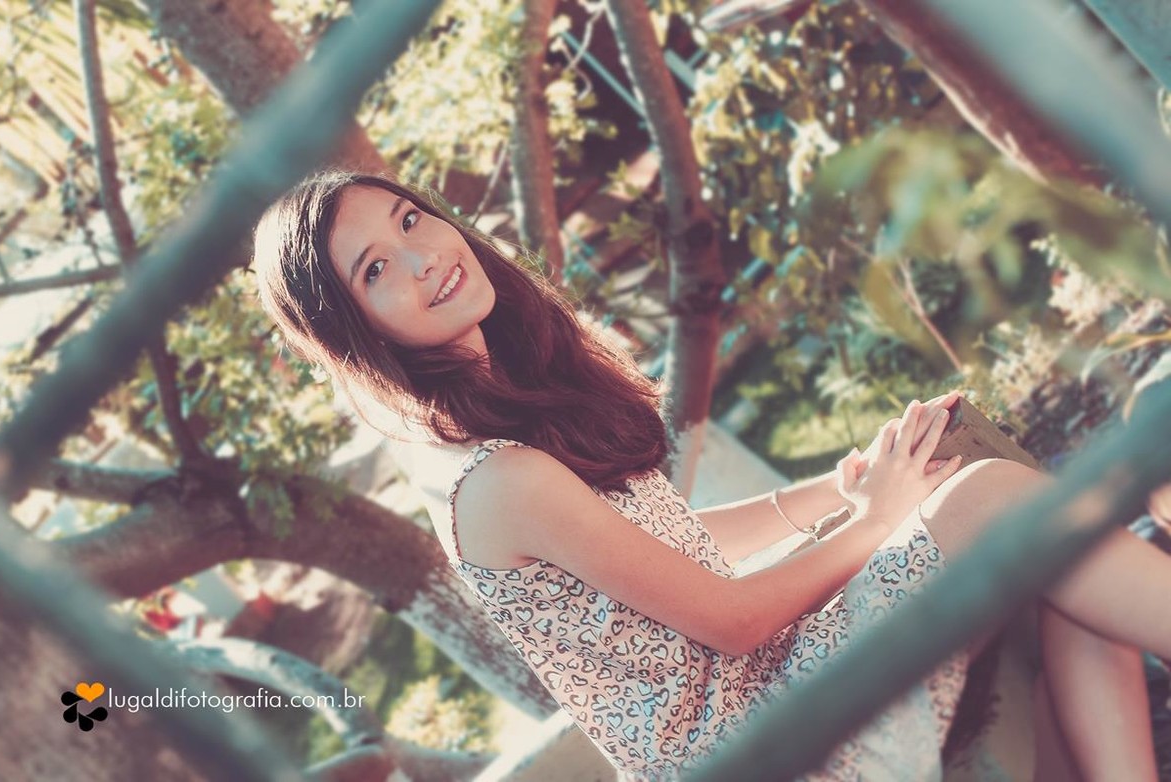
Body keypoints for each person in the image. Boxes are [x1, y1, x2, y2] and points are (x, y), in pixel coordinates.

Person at [252, 170, 1170, 781]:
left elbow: (662, 546)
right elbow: (727, 621)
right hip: (765, 747)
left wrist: (841, 494)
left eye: (411, 218)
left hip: (774, 691)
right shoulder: (493, 479)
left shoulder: (505, 407)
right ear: (355, 332)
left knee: (1058, 551)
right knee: (990, 503)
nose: (423, 256)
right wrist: (871, 522)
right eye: (378, 268)